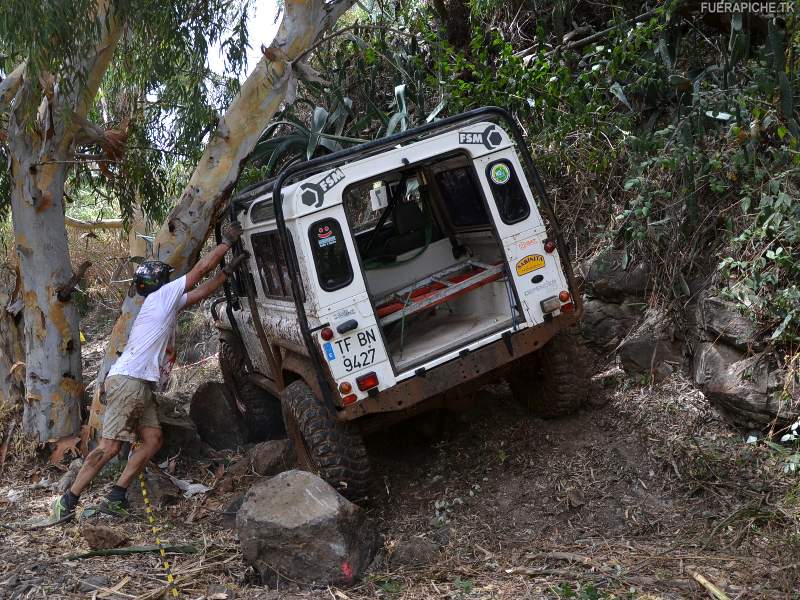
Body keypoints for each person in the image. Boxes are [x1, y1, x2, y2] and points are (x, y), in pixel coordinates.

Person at [51, 223, 248, 521]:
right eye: (167, 277)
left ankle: (116, 498)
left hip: (138, 384)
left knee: (153, 439)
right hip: (129, 381)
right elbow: (199, 272)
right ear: (160, 281)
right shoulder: (161, 297)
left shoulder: (161, 303)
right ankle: (68, 501)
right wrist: (226, 244)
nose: (172, 279)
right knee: (109, 446)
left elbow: (202, 290)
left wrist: (227, 272)